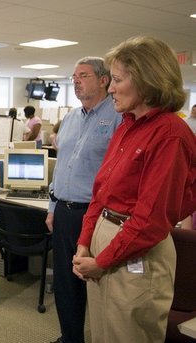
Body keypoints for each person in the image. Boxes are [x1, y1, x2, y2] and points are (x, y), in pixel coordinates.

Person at [73, 36, 196, 343]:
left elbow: (151, 218)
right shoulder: (128, 124)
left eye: (116, 80)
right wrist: (85, 241)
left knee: (128, 334)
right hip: (107, 234)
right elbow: (101, 192)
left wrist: (101, 261)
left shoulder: (169, 134)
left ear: (146, 80)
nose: (110, 88)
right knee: (101, 334)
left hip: (135, 249)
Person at [46, 57, 122, 343]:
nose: (76, 81)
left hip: (98, 215)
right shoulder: (71, 118)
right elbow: (62, 164)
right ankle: (70, 337)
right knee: (66, 282)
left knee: (99, 284)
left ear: (104, 80)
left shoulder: (118, 118)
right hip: (64, 212)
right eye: (73, 76)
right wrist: (52, 207)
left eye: (83, 75)